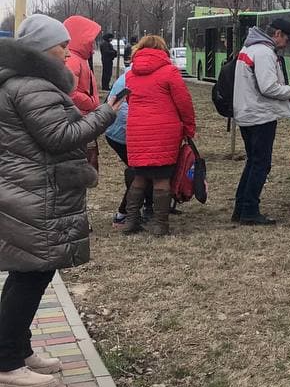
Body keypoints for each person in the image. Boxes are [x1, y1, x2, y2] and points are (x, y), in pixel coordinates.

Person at [0, 16, 122, 387]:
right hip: (36, 191)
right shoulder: (32, 86)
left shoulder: (20, 83)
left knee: (31, 272)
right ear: (41, 48)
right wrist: (107, 113)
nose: (67, 50)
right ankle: (6, 363)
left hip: (32, 188)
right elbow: (60, 136)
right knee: (32, 275)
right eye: (61, 44)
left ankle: (18, 350)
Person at [120, 35, 197, 236]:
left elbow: (129, 100)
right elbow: (184, 102)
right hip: (165, 130)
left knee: (139, 175)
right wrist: (189, 127)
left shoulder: (131, 74)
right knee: (162, 176)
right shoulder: (169, 72)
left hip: (137, 130)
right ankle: (160, 224)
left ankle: (131, 221)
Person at [232, 17, 290, 226]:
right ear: (278, 34)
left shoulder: (249, 49)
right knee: (261, 164)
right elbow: (268, 87)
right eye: (287, 39)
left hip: (247, 113)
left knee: (253, 162)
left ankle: (241, 207)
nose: (286, 44)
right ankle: (250, 210)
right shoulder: (264, 53)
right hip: (260, 115)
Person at [104, 69, 154, 228]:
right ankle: (123, 214)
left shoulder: (133, 72)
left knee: (141, 171)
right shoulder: (141, 76)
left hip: (116, 131)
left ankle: (145, 206)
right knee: (140, 172)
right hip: (125, 132)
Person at [64, 16, 103, 172]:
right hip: (80, 119)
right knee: (84, 163)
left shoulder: (78, 58)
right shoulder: (73, 60)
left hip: (83, 118)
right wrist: (91, 103)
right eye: (91, 41)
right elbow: (70, 92)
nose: (93, 48)